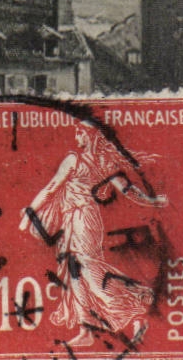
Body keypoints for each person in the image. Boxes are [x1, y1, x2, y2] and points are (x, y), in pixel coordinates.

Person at [20, 124, 167, 348]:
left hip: (82, 220)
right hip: (78, 219)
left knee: (89, 272)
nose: (76, 136)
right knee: (75, 274)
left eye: (80, 133)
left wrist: (30, 212)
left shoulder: (74, 159)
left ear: (89, 137)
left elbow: (51, 188)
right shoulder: (105, 163)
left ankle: (136, 307)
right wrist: (151, 201)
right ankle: (86, 329)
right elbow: (128, 190)